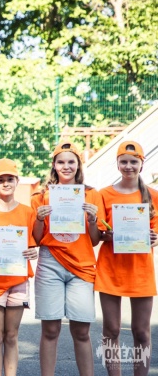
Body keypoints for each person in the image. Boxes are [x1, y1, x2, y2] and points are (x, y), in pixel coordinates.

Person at [32, 140, 105, 376]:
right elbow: (36, 239)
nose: (66, 166)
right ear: (54, 165)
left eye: (71, 162)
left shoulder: (91, 195)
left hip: (81, 266)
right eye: (61, 162)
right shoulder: (41, 196)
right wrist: (39, 219)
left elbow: (94, 240)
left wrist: (92, 220)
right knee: (50, 330)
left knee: (82, 331)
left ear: (78, 165)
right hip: (50, 262)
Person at [96, 141, 157, 376]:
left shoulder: (153, 196)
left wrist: (154, 237)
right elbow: (99, 232)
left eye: (133, 161)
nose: (128, 166)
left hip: (140, 270)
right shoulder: (104, 194)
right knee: (111, 330)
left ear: (142, 164)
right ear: (117, 164)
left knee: (141, 331)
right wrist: (107, 235)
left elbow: (156, 232)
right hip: (111, 268)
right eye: (124, 161)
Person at [0, 158, 38, 376]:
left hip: (18, 281)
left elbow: (32, 243)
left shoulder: (27, 212)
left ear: (17, 181)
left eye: (10, 179)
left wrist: (33, 251)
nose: (5, 183)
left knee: (11, 335)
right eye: (0, 179)